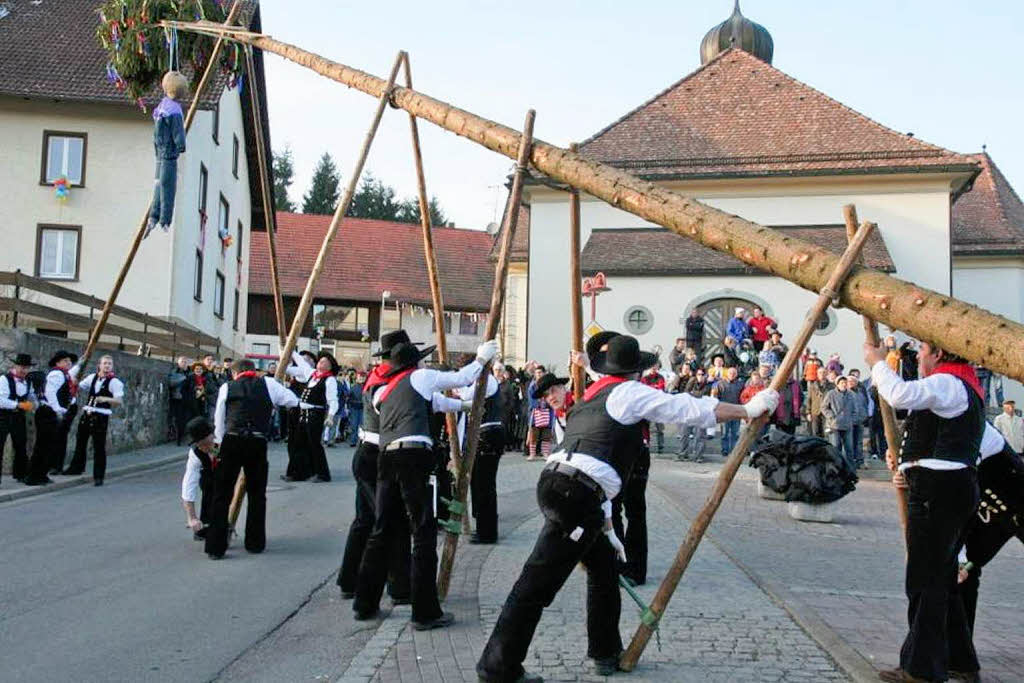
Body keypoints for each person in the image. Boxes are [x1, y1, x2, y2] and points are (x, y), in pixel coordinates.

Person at [476, 334, 778, 681]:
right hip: (574, 494)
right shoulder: (628, 393)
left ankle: (604, 650)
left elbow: (594, 465)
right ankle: (497, 666)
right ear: (636, 371)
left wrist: (606, 527)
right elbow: (685, 407)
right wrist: (746, 410)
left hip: (567, 488)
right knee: (537, 583)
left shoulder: (594, 394)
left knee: (605, 570)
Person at [354, 333, 499, 630]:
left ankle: (365, 603)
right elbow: (461, 378)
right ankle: (425, 612)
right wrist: (483, 357)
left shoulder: (385, 391)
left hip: (386, 457)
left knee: (381, 530)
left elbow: (437, 403)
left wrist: (466, 408)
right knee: (422, 531)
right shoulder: (420, 377)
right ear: (413, 363)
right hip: (412, 457)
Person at [865, 340, 985, 683]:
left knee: (925, 580)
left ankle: (923, 669)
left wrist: (876, 361)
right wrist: (906, 460)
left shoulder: (948, 382)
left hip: (939, 491)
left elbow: (899, 395)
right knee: (942, 580)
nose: (917, 357)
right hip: (948, 486)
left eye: (923, 350)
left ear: (940, 354)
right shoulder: (961, 385)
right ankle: (960, 660)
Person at [337, 332, 414, 604]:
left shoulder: (382, 377)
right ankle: (397, 587)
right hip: (376, 455)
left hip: (370, 454)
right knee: (390, 521)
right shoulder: (387, 384)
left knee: (366, 520)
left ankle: (351, 580)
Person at [205, 359, 301, 559]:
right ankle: (255, 542)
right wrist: (271, 405)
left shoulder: (227, 386)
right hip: (257, 440)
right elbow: (292, 400)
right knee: (257, 494)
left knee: (222, 494)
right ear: (252, 371)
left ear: (235, 373)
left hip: (232, 439)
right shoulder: (269, 384)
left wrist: (220, 443)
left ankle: (216, 546)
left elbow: (219, 418)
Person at [954, 423, 1024, 674]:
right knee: (965, 571)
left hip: (1012, 498)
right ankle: (959, 650)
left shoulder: (966, 418)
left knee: (965, 565)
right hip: (980, 503)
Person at [460, 365, 507, 544]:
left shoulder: (486, 380)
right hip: (485, 434)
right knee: (480, 484)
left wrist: (454, 384)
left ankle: (487, 533)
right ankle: (483, 528)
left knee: (484, 485)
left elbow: (466, 395)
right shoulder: (486, 379)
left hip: (489, 434)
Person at [65, 355, 124, 485]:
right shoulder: (92, 378)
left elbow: (119, 400)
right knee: (80, 442)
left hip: (101, 416)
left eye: (109, 364)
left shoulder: (115, 382)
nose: (107, 366)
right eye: (105, 363)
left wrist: (106, 399)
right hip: (87, 413)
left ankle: (99, 476)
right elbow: (79, 386)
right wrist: (74, 379)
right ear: (99, 365)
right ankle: (76, 467)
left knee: (99, 446)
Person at [26, 351, 80, 486]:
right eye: (65, 361)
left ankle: (41, 474)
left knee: (48, 445)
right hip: (48, 412)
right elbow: (50, 392)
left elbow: (74, 370)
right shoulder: (57, 374)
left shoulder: (64, 374)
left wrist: (83, 360)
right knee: (42, 445)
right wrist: (57, 410)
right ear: (58, 362)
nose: (68, 363)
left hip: (49, 412)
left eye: (69, 361)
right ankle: (34, 476)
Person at [295, 352, 340, 482]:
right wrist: (288, 348)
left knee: (314, 444)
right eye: (320, 360)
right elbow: (301, 363)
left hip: (315, 414)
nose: (320, 362)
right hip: (303, 414)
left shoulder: (330, 379)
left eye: (324, 361)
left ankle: (322, 474)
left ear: (330, 366)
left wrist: (330, 416)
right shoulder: (312, 374)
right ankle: (301, 472)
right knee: (300, 443)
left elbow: (333, 400)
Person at [0, 353, 36, 485]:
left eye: (27, 367)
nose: (24, 370)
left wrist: (34, 404)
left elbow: (31, 396)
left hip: (18, 417)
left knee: (21, 445)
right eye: (22, 367)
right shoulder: (4, 379)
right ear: (15, 366)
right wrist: (18, 404)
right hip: (3, 416)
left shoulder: (28, 381)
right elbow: (1, 400)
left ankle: (21, 474)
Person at [180, 416, 217, 541]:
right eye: (198, 444)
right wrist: (192, 518)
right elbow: (189, 484)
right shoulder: (195, 454)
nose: (200, 447)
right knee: (208, 484)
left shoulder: (223, 443)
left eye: (202, 443)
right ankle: (203, 526)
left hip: (228, 471)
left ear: (210, 436)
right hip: (209, 476)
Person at [822, 376, 856, 468]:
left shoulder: (851, 394)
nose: (844, 384)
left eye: (845, 383)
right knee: (836, 447)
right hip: (834, 426)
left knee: (849, 448)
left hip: (847, 425)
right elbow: (824, 407)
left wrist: (851, 419)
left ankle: (850, 468)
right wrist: (832, 417)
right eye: (842, 383)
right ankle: (835, 468)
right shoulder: (831, 394)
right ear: (837, 384)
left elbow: (855, 409)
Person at [679, 367, 712, 461]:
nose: (700, 376)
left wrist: (693, 394)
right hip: (689, 411)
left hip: (702, 412)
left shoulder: (708, 385)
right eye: (698, 374)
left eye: (702, 374)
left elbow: (703, 395)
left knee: (700, 435)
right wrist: (693, 393)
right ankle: (683, 453)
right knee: (684, 433)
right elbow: (686, 393)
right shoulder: (691, 382)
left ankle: (698, 455)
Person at [712, 366, 743, 455]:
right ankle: (724, 450)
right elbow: (716, 398)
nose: (732, 375)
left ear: (736, 375)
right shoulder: (720, 384)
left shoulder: (740, 384)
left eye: (734, 373)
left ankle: (734, 451)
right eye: (730, 373)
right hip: (724, 412)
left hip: (736, 411)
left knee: (735, 433)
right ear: (727, 374)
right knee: (724, 433)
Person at [639, 362, 667, 453]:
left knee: (659, 427)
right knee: (645, 426)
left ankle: (660, 445)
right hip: (647, 406)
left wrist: (651, 388)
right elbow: (644, 390)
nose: (653, 368)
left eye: (655, 366)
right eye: (651, 366)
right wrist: (654, 388)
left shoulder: (660, 377)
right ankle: (646, 443)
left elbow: (661, 388)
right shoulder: (644, 378)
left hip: (658, 406)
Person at [847, 373, 869, 467]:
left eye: (853, 381)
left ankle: (859, 460)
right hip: (849, 422)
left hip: (859, 421)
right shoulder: (845, 393)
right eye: (849, 381)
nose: (851, 383)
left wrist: (864, 416)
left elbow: (865, 405)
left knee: (859, 442)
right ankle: (850, 461)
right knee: (850, 442)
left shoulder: (860, 393)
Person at [168, 356, 190, 445]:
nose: (184, 364)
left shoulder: (190, 372)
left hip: (188, 399)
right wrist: (184, 377)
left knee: (185, 420)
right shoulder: (175, 372)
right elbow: (171, 382)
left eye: (185, 362)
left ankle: (182, 437)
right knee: (178, 420)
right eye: (182, 362)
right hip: (177, 398)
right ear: (178, 363)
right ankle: (178, 439)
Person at [347, 371, 365, 447]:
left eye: (363, 377)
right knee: (354, 425)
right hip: (354, 408)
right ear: (357, 378)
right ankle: (353, 441)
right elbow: (348, 398)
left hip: (363, 408)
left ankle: (361, 441)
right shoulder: (353, 387)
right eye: (360, 377)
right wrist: (349, 407)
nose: (361, 378)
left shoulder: (367, 387)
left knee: (362, 426)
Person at [805, 374, 827, 438]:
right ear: (817, 375)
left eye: (824, 372)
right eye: (820, 373)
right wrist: (808, 412)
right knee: (815, 432)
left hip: (826, 412)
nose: (822, 375)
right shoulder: (812, 386)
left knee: (825, 433)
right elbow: (809, 399)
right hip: (815, 411)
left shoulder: (831, 386)